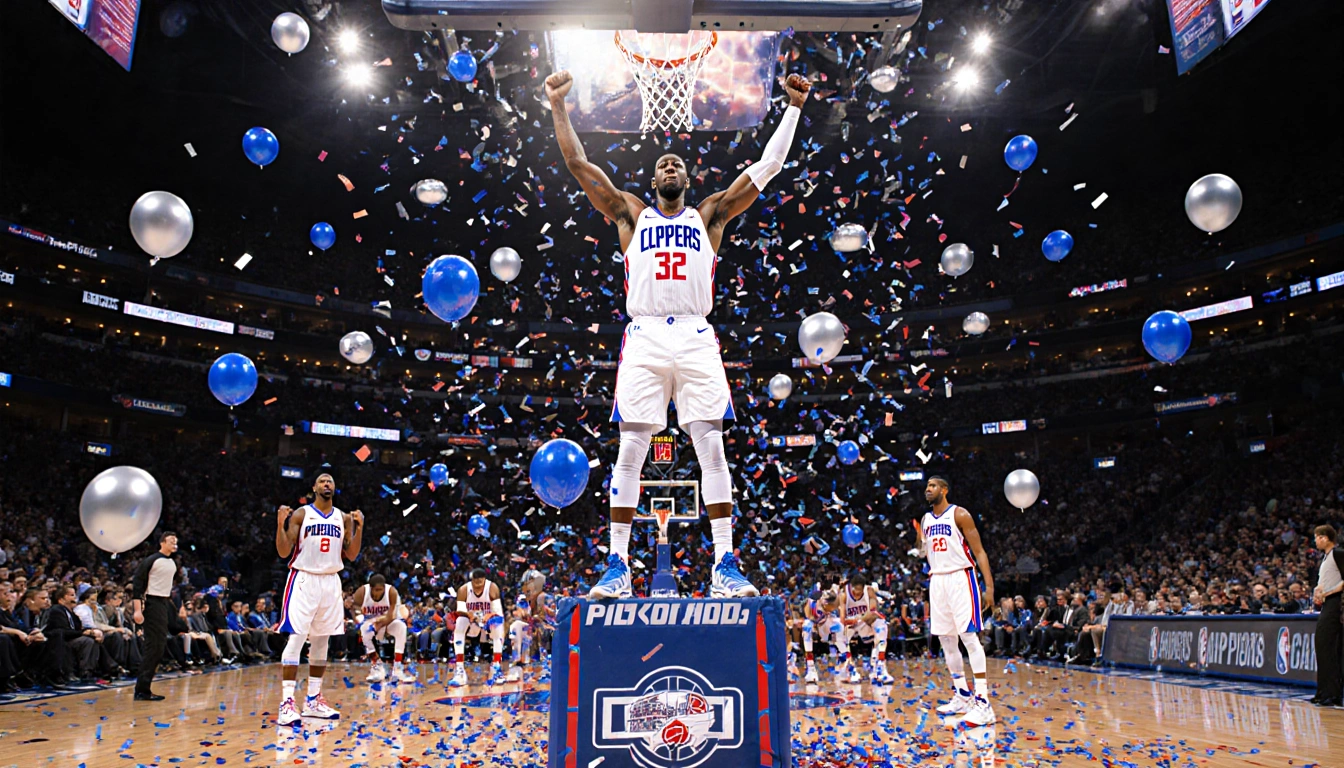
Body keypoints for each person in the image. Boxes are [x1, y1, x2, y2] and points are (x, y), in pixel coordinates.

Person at [544, 67, 811, 600]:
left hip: (694, 334)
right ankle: (617, 565)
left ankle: (724, 566)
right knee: (631, 448)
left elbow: (768, 167)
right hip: (643, 334)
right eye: (661, 163)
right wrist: (556, 104)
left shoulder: (709, 216)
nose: (668, 165)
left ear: (686, 180)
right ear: (653, 181)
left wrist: (795, 109)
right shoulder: (629, 213)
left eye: (677, 163)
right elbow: (578, 164)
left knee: (710, 445)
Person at [273, 472, 364, 725]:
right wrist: (281, 523)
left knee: (321, 641)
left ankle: (313, 700)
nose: (327, 484)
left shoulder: (343, 517)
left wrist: (359, 527)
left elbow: (353, 555)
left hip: (331, 581)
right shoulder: (302, 514)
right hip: (304, 579)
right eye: (323, 481)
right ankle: (287, 703)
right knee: (297, 637)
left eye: (331, 481)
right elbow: (283, 551)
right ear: (314, 487)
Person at [916, 476, 995, 726]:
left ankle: (983, 703)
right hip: (937, 580)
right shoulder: (926, 520)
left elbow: (979, 551)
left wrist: (989, 587)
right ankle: (962, 695)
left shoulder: (959, 514)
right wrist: (917, 542)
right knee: (946, 640)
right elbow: (923, 551)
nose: (928, 489)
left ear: (944, 490)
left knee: (969, 637)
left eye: (933, 486)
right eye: (927, 486)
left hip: (961, 577)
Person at [131, 531, 180, 699]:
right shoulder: (152, 560)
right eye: (171, 541)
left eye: (176, 541)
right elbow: (138, 584)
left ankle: (144, 688)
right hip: (152, 603)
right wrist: (137, 610)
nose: (175, 544)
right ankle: (141, 690)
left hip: (164, 603)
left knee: (159, 646)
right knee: (154, 647)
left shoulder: (172, 562)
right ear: (162, 543)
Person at [353, 574, 415, 684]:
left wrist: (379, 624)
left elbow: (392, 616)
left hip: (388, 620)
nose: (379, 592)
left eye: (381, 590)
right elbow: (355, 611)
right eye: (376, 590)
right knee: (364, 630)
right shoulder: (361, 592)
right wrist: (360, 617)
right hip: (370, 620)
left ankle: (397, 668)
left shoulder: (391, 592)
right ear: (370, 588)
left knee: (401, 627)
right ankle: (377, 665)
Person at [834, 574, 894, 685]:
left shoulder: (869, 591)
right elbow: (842, 618)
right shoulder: (843, 595)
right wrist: (851, 621)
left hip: (864, 621)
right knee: (838, 631)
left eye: (860, 591)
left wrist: (859, 619)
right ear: (851, 587)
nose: (857, 593)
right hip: (850, 624)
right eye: (855, 590)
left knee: (881, 625)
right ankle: (850, 669)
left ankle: (879, 666)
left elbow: (873, 611)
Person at [450, 568, 505, 687]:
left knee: (498, 625)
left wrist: (489, 616)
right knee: (460, 621)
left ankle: (496, 667)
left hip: (488, 620)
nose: (478, 586)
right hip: (472, 620)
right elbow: (459, 610)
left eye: (481, 583)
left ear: (485, 580)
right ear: (472, 581)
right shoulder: (464, 589)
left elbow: (498, 613)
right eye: (476, 583)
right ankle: (459, 671)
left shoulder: (492, 588)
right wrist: (468, 614)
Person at [1310, 525, 1343, 706]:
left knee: (1328, 647)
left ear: (1325, 538)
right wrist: (1319, 590)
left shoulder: (1338, 553)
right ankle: (1324, 692)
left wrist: (1328, 592)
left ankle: (1331, 693)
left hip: (1336, 603)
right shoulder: (1326, 558)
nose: (1315, 541)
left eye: (1317, 537)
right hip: (1328, 603)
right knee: (1323, 648)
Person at [800, 588, 840, 683]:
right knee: (807, 626)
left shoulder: (834, 601)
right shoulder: (811, 603)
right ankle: (811, 668)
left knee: (838, 626)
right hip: (815, 626)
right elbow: (808, 616)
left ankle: (841, 662)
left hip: (825, 627)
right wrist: (814, 624)